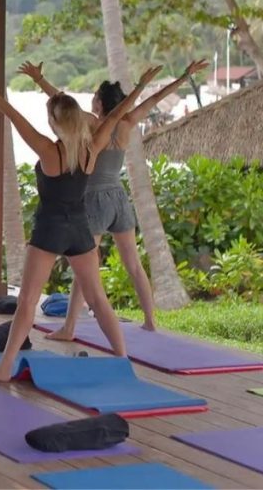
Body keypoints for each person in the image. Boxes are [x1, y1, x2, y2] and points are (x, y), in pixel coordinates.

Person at [0, 62, 161, 381]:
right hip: (80, 230)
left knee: (27, 301)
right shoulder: (91, 148)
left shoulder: (47, 149)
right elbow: (113, 117)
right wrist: (138, 87)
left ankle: (4, 366)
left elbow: (11, 113)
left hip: (50, 230)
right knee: (98, 298)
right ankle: (122, 359)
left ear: (55, 122)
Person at [18, 59, 207, 335]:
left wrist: (38, 80)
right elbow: (155, 99)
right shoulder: (127, 122)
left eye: (94, 98)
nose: (91, 102)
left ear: (98, 104)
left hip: (94, 201)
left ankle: (69, 328)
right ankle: (151, 321)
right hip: (119, 198)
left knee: (85, 270)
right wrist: (183, 76)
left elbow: (60, 102)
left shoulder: (94, 125)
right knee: (133, 264)